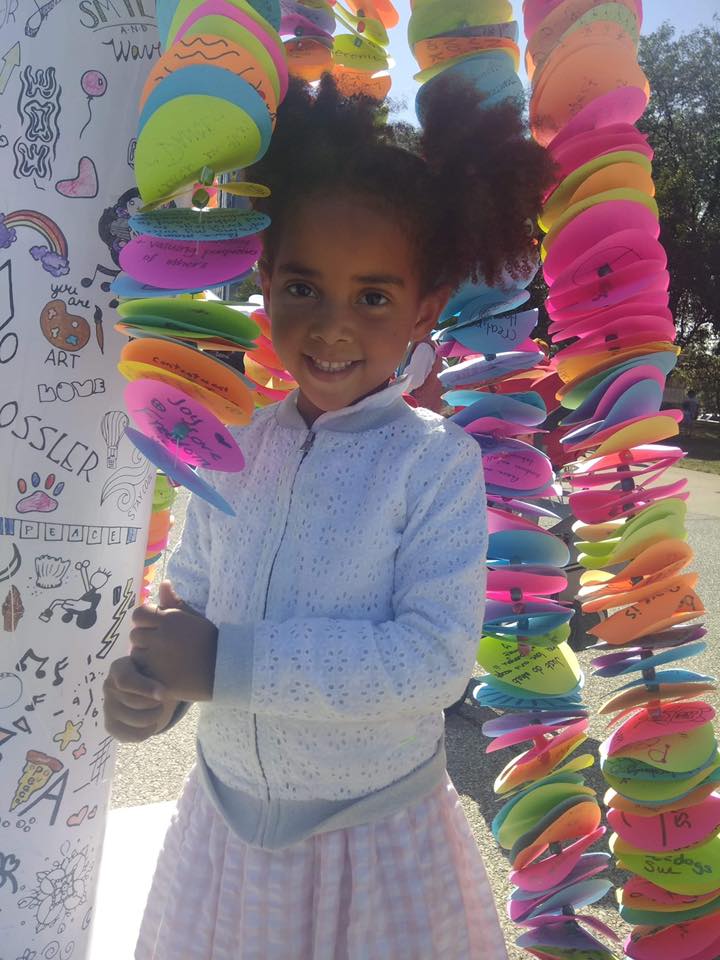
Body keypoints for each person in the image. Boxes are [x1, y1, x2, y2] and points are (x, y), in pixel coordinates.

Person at [103, 76, 554, 960]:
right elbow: (187, 597)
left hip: (375, 839)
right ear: (266, 280)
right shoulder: (233, 442)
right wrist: (153, 690)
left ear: (426, 308)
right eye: (304, 288)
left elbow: (431, 660)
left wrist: (226, 664)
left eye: (374, 298)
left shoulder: (433, 462)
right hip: (225, 835)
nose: (332, 327)